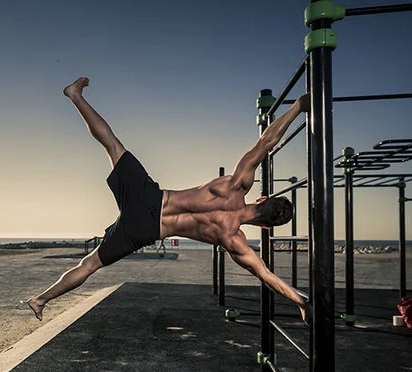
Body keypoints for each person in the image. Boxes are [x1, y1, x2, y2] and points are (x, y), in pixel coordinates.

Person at [26, 77, 310, 323]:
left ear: (263, 197)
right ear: (266, 228)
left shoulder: (236, 185)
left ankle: (75, 95)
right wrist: (299, 301)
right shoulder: (233, 239)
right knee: (89, 265)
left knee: (112, 145)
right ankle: (40, 300)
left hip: (150, 198)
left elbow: (266, 142)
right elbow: (266, 276)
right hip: (145, 231)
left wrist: (297, 107)